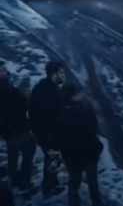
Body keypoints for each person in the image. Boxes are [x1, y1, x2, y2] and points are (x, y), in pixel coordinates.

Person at [57, 85, 102, 206]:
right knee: (85, 183)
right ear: (72, 96)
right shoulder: (77, 110)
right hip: (82, 154)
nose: (81, 94)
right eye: (78, 93)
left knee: (79, 183)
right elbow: (92, 130)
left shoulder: (64, 111)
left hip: (77, 155)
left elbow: (93, 127)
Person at [29, 61, 66, 197]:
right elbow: (46, 115)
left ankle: (52, 184)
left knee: (51, 159)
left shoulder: (41, 87)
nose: (64, 76)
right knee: (52, 160)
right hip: (50, 135)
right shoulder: (50, 91)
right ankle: (48, 188)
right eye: (61, 73)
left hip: (45, 134)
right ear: (53, 74)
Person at [0, 63, 35, 192]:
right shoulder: (6, 89)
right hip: (17, 128)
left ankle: (15, 180)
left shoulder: (7, 87)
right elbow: (21, 105)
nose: (5, 72)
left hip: (11, 129)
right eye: (2, 70)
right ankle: (24, 181)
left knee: (13, 156)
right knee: (28, 153)